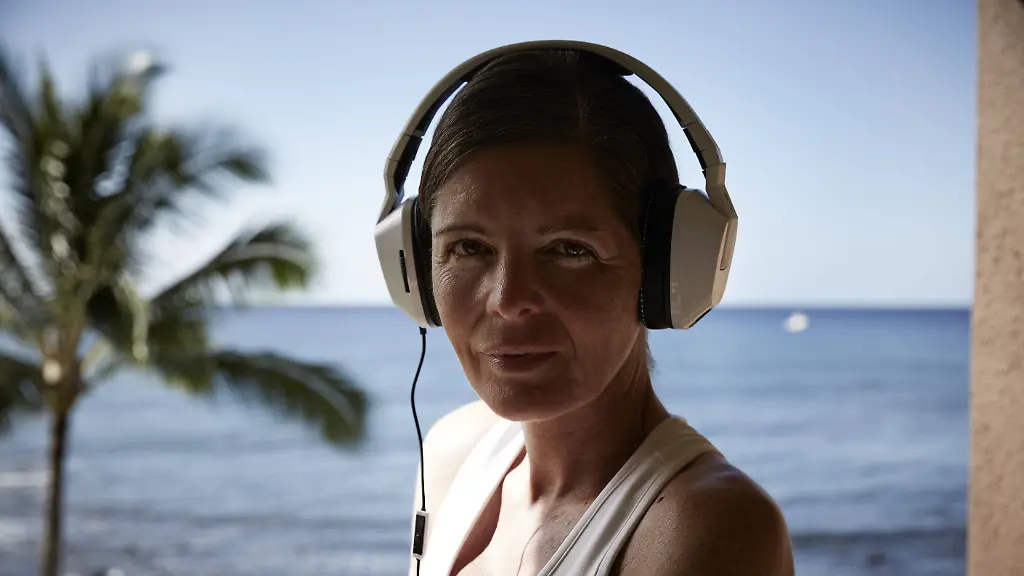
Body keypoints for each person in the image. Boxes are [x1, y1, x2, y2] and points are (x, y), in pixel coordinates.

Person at [406, 47, 794, 576]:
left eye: (569, 250)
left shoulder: (706, 527)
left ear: (664, 267)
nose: (508, 299)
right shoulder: (451, 453)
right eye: (469, 248)